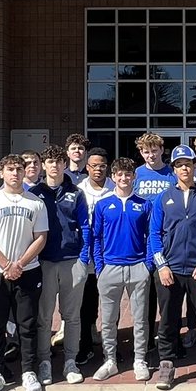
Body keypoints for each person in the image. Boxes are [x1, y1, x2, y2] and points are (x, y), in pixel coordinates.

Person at [149, 145, 196, 390]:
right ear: (173, 169)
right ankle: (167, 364)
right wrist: (161, 266)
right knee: (168, 320)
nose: (185, 168)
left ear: (194, 167)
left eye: (188, 164)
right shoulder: (164, 198)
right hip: (169, 270)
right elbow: (154, 233)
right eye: (180, 164)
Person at [0, 155, 49, 391]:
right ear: (1, 173)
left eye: (20, 169)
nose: (16, 173)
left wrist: (19, 264)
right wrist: (7, 264)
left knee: (27, 325)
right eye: (10, 169)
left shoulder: (36, 203)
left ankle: (29, 372)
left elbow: (40, 237)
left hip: (27, 272)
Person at [88, 157, 153, 382]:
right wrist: (99, 266)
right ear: (113, 177)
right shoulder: (104, 204)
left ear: (134, 177)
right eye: (119, 174)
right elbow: (96, 237)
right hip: (110, 268)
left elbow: (151, 237)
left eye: (128, 174)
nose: (124, 178)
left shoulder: (144, 204)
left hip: (138, 267)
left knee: (140, 318)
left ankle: (140, 360)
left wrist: (148, 265)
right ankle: (110, 360)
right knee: (107, 319)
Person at [31, 145, 90, 386]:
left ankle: (70, 362)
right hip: (44, 262)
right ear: (43, 166)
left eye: (58, 162)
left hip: (72, 261)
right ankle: (44, 361)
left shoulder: (76, 193)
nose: (54, 166)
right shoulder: (34, 193)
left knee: (72, 317)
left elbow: (85, 226)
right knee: (44, 317)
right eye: (49, 162)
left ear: (65, 165)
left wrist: (84, 258)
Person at [77, 148, 114, 365]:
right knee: (86, 303)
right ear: (86, 168)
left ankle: (112, 347)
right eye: (93, 166)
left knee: (111, 305)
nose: (98, 169)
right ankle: (86, 346)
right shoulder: (78, 190)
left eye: (101, 165)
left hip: (110, 255)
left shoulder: (115, 188)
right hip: (86, 256)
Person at [133, 131, 175, 201]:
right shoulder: (136, 173)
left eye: (154, 151)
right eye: (146, 152)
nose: (151, 155)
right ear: (141, 153)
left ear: (162, 150)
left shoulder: (172, 173)